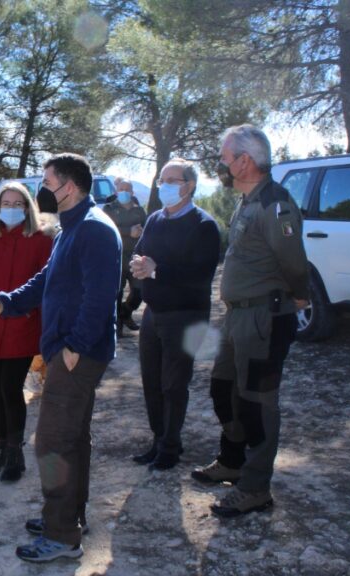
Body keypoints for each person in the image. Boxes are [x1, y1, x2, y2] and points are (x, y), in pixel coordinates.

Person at [0, 153, 121, 563]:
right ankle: (69, 518)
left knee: (53, 442)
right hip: (68, 349)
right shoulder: (71, 228)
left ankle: (61, 537)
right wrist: (4, 304)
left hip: (77, 355)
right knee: (72, 438)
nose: (42, 188)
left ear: (68, 187)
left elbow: (100, 297)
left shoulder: (94, 230)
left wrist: (74, 347)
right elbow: (46, 282)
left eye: (47, 180)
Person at [191, 125, 309, 518]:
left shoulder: (276, 203)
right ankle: (233, 460)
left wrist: (299, 293)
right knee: (225, 389)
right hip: (239, 316)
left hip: (264, 317)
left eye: (225, 158)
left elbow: (293, 260)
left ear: (245, 161)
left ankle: (255, 487)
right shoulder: (248, 200)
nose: (222, 166)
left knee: (257, 403)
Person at [128, 159, 220, 471]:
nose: (164, 186)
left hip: (186, 315)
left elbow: (200, 275)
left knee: (173, 384)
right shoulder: (155, 219)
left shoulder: (203, 225)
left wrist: (157, 270)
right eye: (161, 180)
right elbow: (140, 252)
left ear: (189, 185)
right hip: (154, 313)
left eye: (172, 180)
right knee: (152, 382)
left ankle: (170, 447)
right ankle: (159, 441)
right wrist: (137, 265)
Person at [0, 183, 54, 483]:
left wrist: (38, 323)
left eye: (19, 204)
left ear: (28, 207)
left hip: (22, 327)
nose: (12, 208)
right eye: (7, 202)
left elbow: (45, 286)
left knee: (11, 389)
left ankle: (15, 452)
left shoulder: (42, 240)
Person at [103, 180, 147, 336]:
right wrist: (129, 231)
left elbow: (146, 228)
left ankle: (125, 312)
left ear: (132, 192)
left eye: (127, 189)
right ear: (116, 191)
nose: (124, 192)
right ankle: (117, 324)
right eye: (121, 189)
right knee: (117, 291)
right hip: (116, 256)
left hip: (135, 257)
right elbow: (106, 230)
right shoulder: (109, 209)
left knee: (139, 291)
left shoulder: (139, 210)